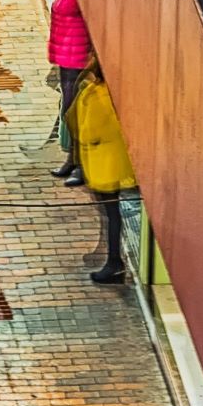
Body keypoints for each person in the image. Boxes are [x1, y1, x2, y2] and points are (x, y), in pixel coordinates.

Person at [72, 69, 136, 286]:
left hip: (104, 164)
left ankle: (114, 262)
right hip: (110, 161)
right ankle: (112, 258)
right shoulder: (112, 92)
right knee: (110, 213)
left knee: (110, 213)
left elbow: (90, 131)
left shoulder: (99, 95)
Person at [47, 0, 94, 181]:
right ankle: (73, 160)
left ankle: (80, 165)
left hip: (79, 63)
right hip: (68, 62)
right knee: (70, 114)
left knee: (78, 116)